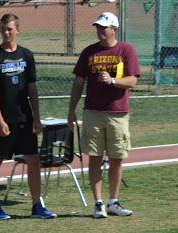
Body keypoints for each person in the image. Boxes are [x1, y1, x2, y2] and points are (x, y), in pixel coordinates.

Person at [0, 13, 56, 220]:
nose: (6, 32)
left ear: (17, 30)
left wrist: (36, 117)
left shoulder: (26, 56)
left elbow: (32, 88)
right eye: (3, 28)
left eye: (10, 28)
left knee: (33, 160)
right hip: (4, 120)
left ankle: (37, 205)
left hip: (25, 119)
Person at [67, 12, 140, 219]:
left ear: (114, 29)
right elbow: (78, 83)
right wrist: (71, 111)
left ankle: (113, 202)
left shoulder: (126, 50)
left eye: (104, 27)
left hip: (118, 113)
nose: (100, 30)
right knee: (95, 158)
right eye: (98, 27)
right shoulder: (89, 52)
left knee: (117, 158)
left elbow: (132, 81)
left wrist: (113, 81)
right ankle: (98, 203)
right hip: (93, 112)